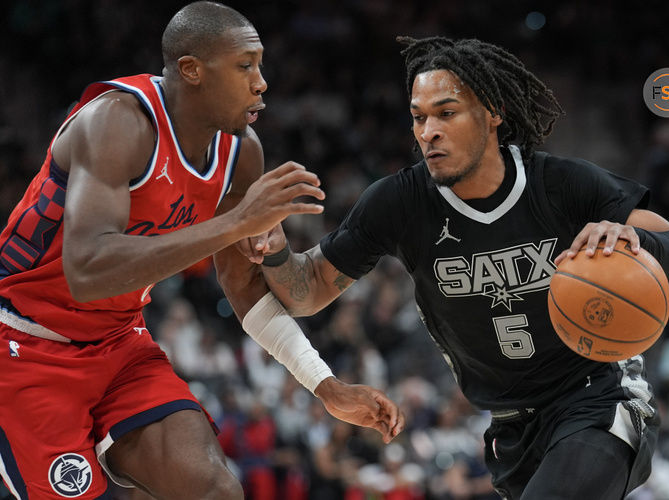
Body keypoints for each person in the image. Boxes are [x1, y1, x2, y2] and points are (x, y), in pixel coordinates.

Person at [251, 36, 669, 499]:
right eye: (418, 117)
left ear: (493, 112)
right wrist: (274, 249)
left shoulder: (561, 184)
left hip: (597, 397)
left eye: (446, 113)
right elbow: (305, 292)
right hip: (509, 426)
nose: (428, 130)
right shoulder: (399, 203)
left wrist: (638, 239)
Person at [0, 3, 404, 499]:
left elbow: (244, 289)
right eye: (245, 66)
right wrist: (235, 223)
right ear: (192, 70)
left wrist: (325, 386)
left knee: (215, 491)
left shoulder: (242, 153)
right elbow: (87, 270)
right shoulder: (117, 122)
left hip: (119, 342)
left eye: (260, 65)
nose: (262, 83)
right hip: (23, 344)